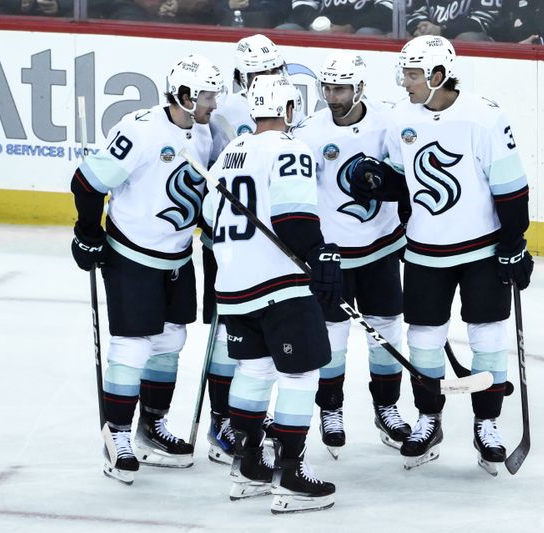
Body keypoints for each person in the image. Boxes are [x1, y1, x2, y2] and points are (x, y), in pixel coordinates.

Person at [350, 36, 533, 475]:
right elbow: (402, 178)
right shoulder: (400, 118)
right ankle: (429, 418)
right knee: (424, 340)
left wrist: (513, 244)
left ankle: (487, 424)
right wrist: (378, 181)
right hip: (425, 252)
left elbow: (511, 186)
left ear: (436, 75)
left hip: (482, 251)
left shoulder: (484, 117)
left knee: (488, 337)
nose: (404, 82)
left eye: (412, 75)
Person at [69, 54, 225, 484]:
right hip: (132, 254)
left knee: (171, 339)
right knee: (133, 346)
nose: (214, 102)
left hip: (176, 257)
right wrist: (88, 232)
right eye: (207, 95)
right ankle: (115, 435)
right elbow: (86, 181)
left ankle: (151, 428)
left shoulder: (205, 131)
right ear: (186, 96)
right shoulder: (140, 130)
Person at [202, 74, 339, 513]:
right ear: (289, 110)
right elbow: (294, 219)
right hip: (279, 284)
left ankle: (247, 466)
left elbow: (208, 221)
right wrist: (320, 257)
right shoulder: (290, 147)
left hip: (233, 285)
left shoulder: (226, 156)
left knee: (256, 371)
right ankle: (291, 474)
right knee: (300, 375)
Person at [292, 51, 412, 459]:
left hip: (379, 248)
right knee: (333, 338)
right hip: (332, 255)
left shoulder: (388, 122)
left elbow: (407, 176)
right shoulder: (308, 132)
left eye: (341, 88)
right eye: (327, 87)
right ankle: (331, 409)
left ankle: (387, 408)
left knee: (386, 332)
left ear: (359, 88)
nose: (332, 95)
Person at [201, 33, 288, 465]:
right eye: (258, 73)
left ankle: (249, 414)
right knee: (225, 337)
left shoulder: (286, 108)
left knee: (261, 341)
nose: (266, 79)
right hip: (228, 243)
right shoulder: (225, 112)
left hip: (266, 247)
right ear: (240, 76)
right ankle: (222, 421)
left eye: (272, 70)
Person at [277, 0, 393, 35]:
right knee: (285, 30)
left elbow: (386, 10)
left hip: (359, 29)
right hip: (319, 28)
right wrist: (317, 24)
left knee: (367, 33)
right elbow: (302, 6)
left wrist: (351, 27)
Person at [407, 0, 502, 41]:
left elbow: (482, 22)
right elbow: (415, 12)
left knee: (467, 39)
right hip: (432, 46)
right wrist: (423, 28)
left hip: (475, 55)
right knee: (401, 37)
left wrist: (441, 30)